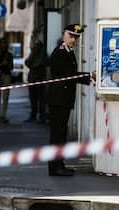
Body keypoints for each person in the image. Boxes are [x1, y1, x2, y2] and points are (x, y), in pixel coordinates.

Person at [46, 24, 96, 176]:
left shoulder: (68, 52)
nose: (74, 39)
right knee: (58, 133)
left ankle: (58, 164)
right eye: (71, 36)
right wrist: (89, 76)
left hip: (63, 99)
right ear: (64, 35)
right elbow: (69, 75)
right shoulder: (60, 53)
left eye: (77, 37)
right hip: (58, 99)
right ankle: (55, 167)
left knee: (61, 133)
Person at [24, 40, 48, 123]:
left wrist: (33, 65)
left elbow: (39, 64)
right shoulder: (33, 54)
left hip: (39, 79)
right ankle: (33, 115)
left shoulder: (42, 54)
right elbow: (27, 62)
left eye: (36, 45)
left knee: (41, 99)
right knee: (33, 99)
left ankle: (42, 116)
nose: (35, 47)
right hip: (32, 79)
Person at [0, 38, 13, 124]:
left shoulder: (9, 55)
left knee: (5, 96)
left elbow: (11, 67)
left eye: (5, 43)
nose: (3, 45)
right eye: (2, 44)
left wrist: (7, 64)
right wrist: (1, 64)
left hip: (6, 75)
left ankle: (3, 115)